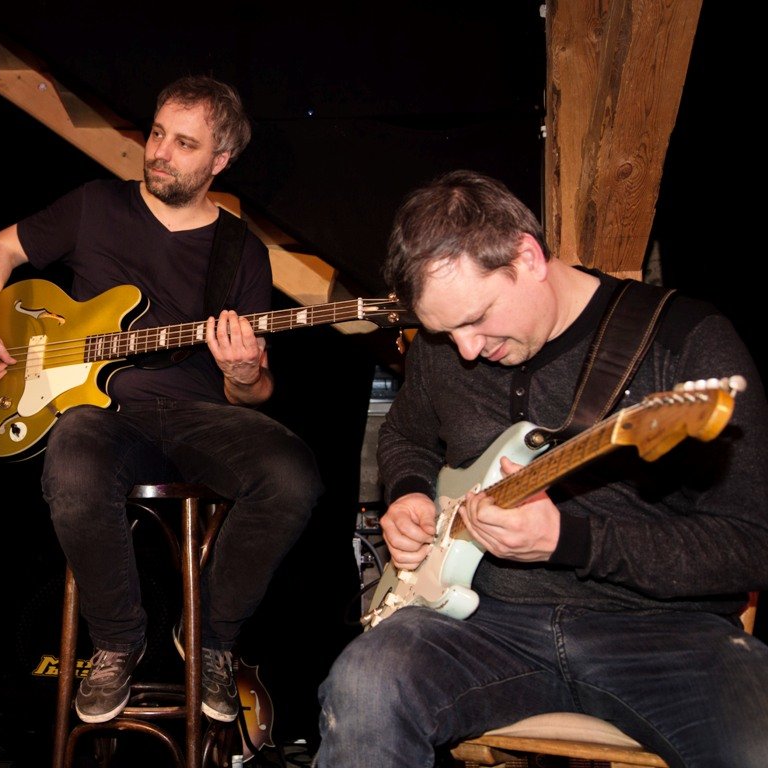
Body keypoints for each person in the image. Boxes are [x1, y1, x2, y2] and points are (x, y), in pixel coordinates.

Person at [315, 170, 768, 767]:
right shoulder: (446, 346)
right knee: (363, 685)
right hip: (484, 622)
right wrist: (406, 494)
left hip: (669, 635)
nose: (467, 350)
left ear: (527, 256)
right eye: (444, 332)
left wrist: (572, 540)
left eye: (476, 318)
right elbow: (407, 433)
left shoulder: (685, 344)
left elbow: (748, 545)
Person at [0, 75, 322, 724]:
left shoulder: (240, 250)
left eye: (183, 144)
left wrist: (244, 373)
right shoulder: (94, 205)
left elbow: (255, 393)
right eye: (157, 133)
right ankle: (119, 643)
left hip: (196, 417)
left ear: (220, 162)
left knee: (291, 474)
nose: (158, 151)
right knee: (74, 452)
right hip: (100, 417)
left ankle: (211, 636)